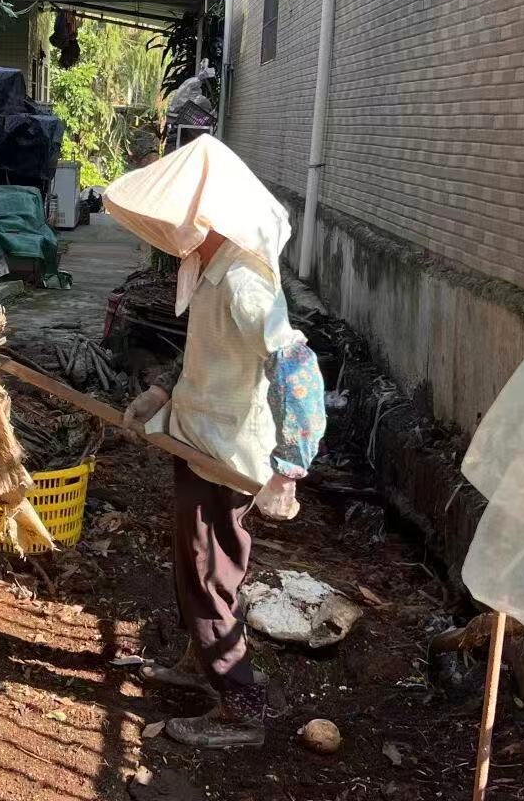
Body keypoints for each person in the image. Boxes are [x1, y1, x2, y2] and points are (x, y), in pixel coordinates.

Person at [106, 134, 327, 749]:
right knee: (195, 562)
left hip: (227, 456)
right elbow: (213, 353)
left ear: (206, 217)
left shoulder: (243, 281)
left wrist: (291, 466)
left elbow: (295, 366)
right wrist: (164, 393)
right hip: (197, 438)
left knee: (208, 572)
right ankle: (196, 661)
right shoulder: (211, 267)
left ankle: (242, 707)